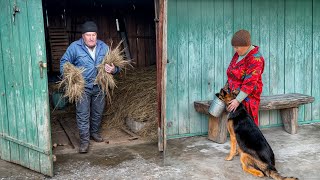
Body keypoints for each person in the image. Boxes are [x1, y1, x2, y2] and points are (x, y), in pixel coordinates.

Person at [60, 21, 120, 153]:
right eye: (88, 35)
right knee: (83, 114)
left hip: (100, 87)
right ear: (83, 36)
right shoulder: (74, 47)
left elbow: (117, 66)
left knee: (98, 112)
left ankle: (94, 133)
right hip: (82, 88)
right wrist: (70, 76)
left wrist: (113, 69)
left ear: (96, 35)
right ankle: (84, 141)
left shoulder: (103, 47)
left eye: (94, 34)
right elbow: (64, 63)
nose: (92, 37)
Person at [225, 29, 265, 126]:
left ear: (246, 45)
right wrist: (225, 88)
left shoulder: (256, 59)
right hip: (234, 93)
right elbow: (231, 74)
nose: (235, 50)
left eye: (237, 47)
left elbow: (250, 83)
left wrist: (238, 100)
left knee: (248, 125)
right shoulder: (238, 54)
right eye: (234, 47)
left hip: (248, 97)